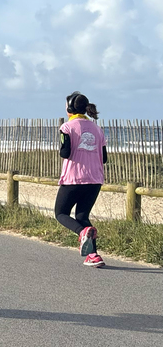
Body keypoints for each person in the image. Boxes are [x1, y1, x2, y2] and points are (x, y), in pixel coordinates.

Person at [56, 92, 107, 268]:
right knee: (82, 216)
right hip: (95, 179)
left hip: (74, 178)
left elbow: (65, 153)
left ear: (70, 108)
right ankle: (93, 255)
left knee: (61, 213)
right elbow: (104, 158)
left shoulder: (66, 127)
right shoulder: (97, 129)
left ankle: (82, 231)